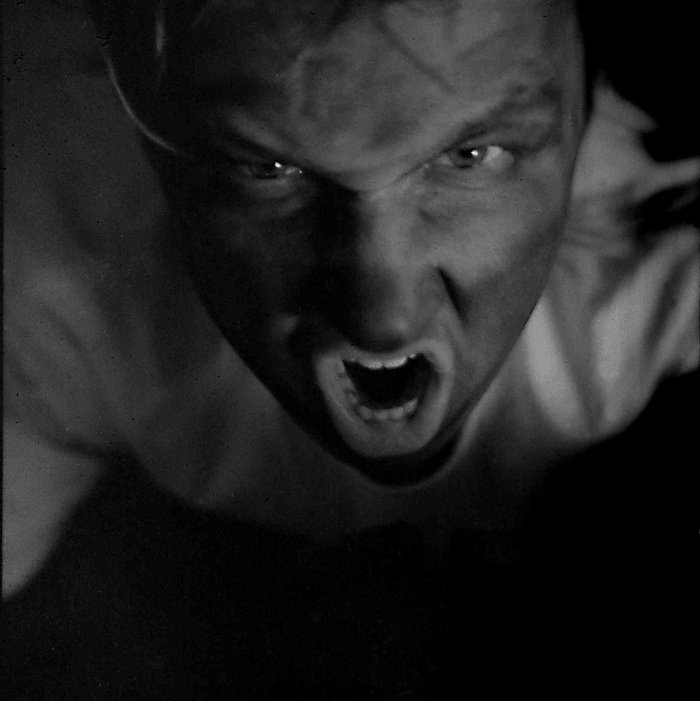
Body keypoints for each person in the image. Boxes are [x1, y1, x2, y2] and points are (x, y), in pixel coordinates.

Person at [3, 0, 698, 695]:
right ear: (148, 146)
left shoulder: (675, 270)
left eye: (470, 156)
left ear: (587, 105)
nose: (380, 320)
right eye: (267, 168)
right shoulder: (48, 248)